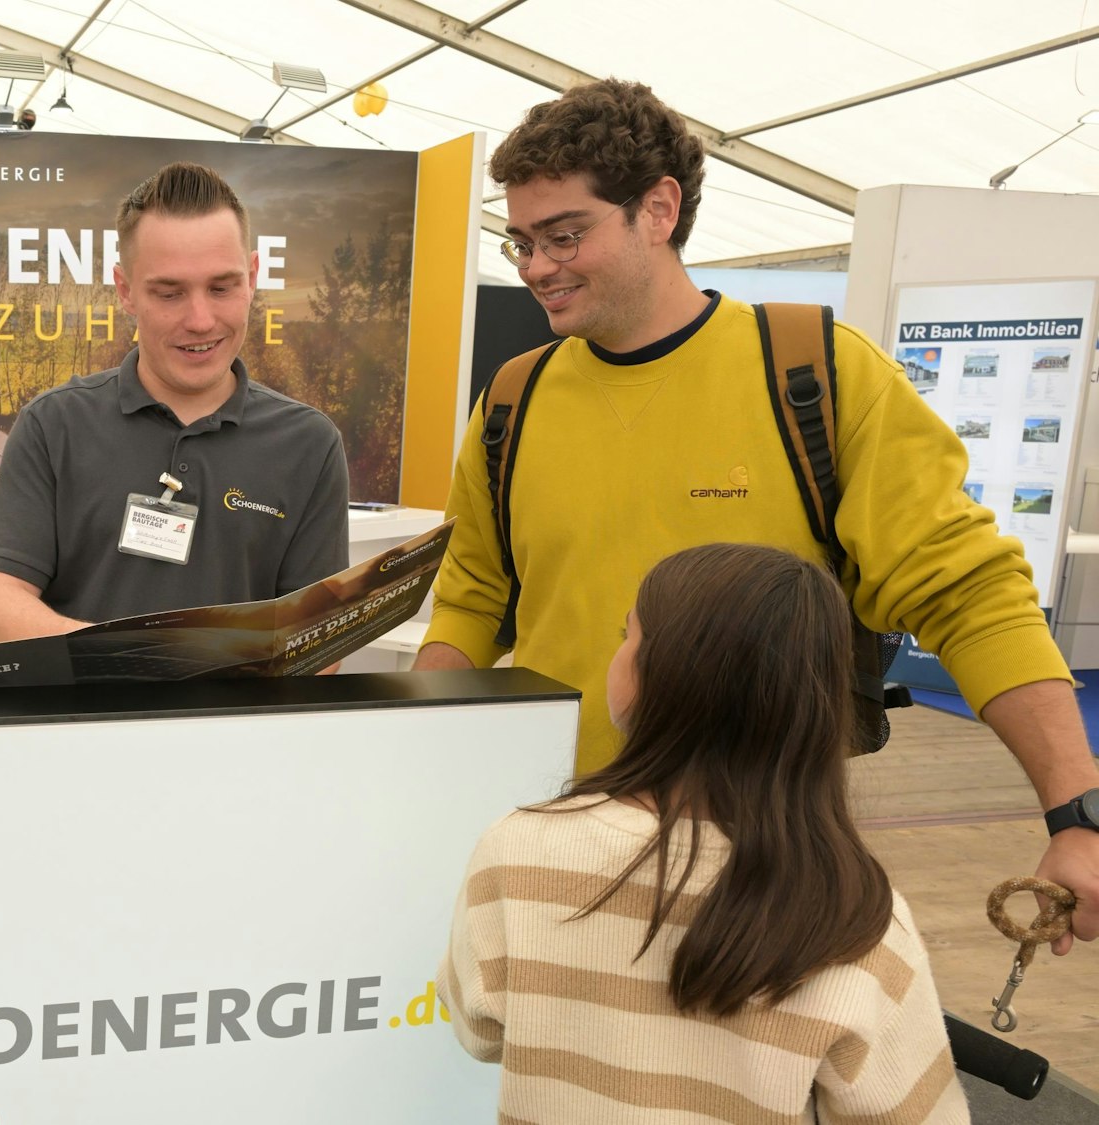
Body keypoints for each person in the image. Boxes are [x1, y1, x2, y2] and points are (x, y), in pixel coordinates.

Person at [414, 78, 1098, 953]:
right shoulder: (514, 397)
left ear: (658, 209)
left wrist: (1077, 807)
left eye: (565, 234)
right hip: (555, 847)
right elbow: (473, 596)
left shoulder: (812, 372)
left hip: (758, 875)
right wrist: (418, 768)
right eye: (523, 242)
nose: (538, 265)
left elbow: (966, 590)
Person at [439, 543, 967, 1122]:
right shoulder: (855, 914)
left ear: (658, 676)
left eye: (627, 634)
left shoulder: (519, 848)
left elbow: (480, 1029)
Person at [0, 161, 350, 643]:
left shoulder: (309, 444)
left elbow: (319, 638)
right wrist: (138, 668)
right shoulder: (53, 426)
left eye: (222, 287)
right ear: (126, 290)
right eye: (170, 293)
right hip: (81, 718)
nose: (200, 320)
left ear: (252, 276)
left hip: (236, 721)